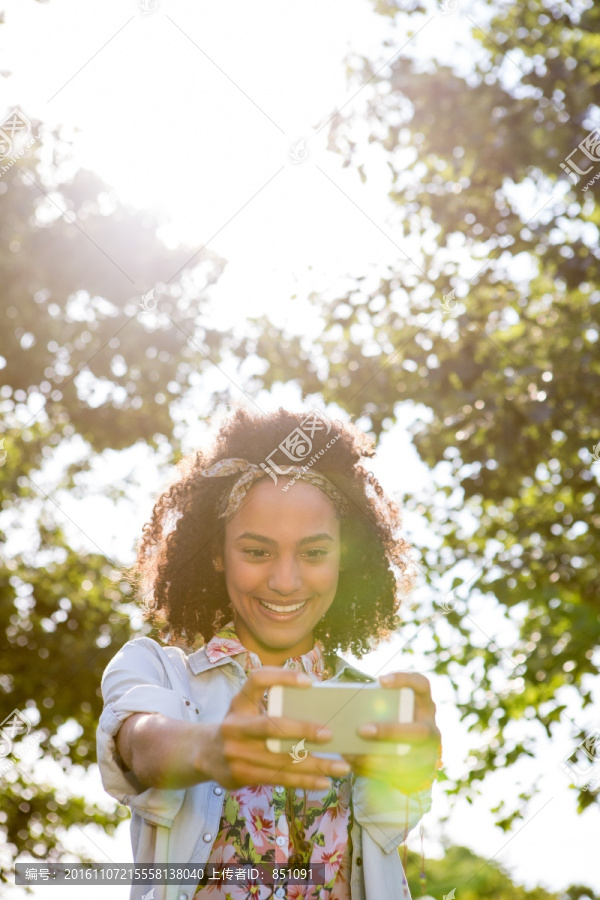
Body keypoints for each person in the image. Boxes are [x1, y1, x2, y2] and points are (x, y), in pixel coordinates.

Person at [96, 406, 442, 900]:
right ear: (216, 552)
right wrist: (209, 749)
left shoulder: (371, 704)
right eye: (257, 552)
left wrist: (413, 769)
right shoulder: (156, 670)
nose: (285, 582)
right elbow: (140, 743)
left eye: (314, 552)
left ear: (346, 556)